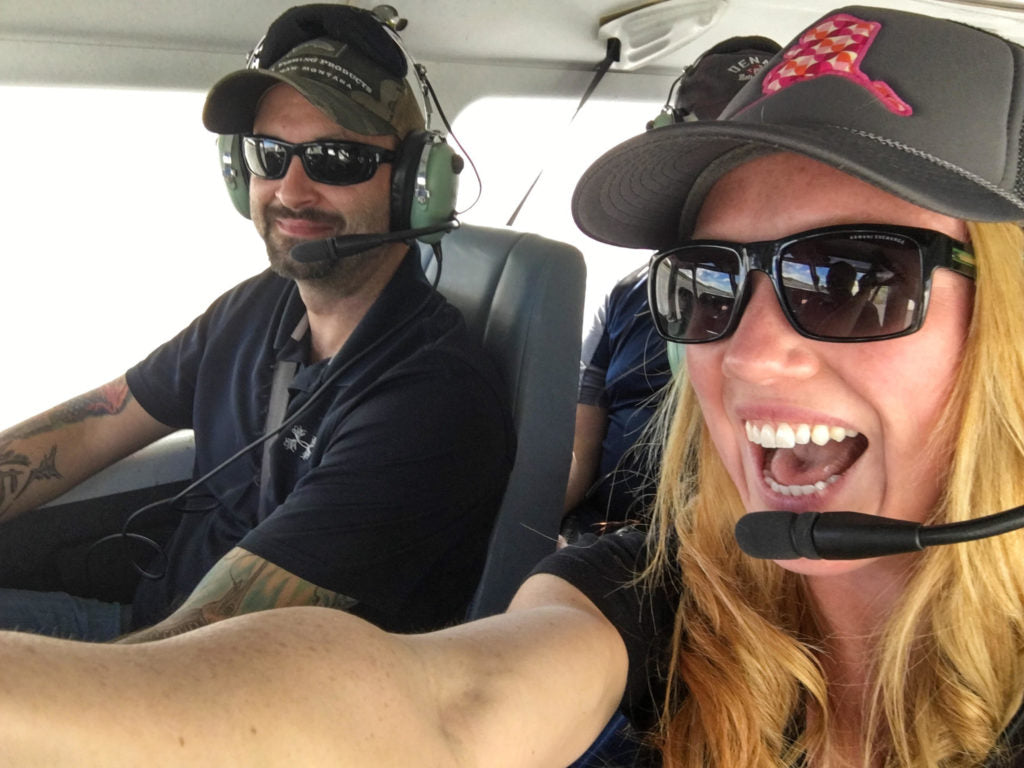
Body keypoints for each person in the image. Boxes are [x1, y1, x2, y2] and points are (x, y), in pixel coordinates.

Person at [1, 7, 1024, 767]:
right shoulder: (667, 595)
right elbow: (447, 711)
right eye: (706, 284)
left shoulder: (426, 399)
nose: (751, 356)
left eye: (852, 280)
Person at [0, 5, 513, 642]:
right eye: (270, 154)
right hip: (145, 633)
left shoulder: (432, 400)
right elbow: (99, 422)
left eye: (335, 158)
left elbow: (195, 655)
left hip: (230, 694)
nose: (291, 191)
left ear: (413, 185)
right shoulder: (258, 307)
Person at [564, 36, 779, 541]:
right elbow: (579, 447)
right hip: (597, 535)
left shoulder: (798, 301)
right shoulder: (628, 293)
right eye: (705, 148)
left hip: (706, 547)